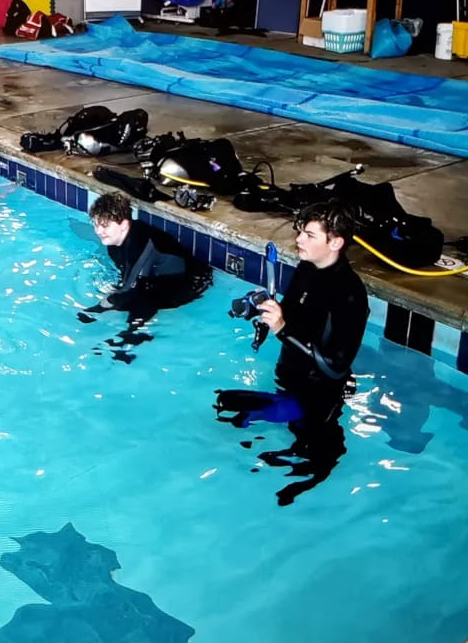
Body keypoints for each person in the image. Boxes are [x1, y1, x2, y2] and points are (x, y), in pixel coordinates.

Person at [214, 200, 369, 505]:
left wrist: (283, 329)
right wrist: (266, 314)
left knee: (309, 457)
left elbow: (337, 366)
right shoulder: (306, 269)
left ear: (335, 242)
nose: (298, 239)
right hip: (289, 377)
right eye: (300, 231)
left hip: (320, 392)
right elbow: (295, 315)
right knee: (224, 407)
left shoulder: (350, 293)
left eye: (309, 235)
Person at [80, 192, 212, 362]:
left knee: (142, 300)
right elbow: (129, 276)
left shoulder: (140, 243)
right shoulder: (114, 241)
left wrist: (100, 307)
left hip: (191, 281)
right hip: (155, 276)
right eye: (96, 224)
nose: (98, 231)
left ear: (124, 224)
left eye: (104, 225)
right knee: (130, 297)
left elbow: (134, 287)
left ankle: (132, 340)